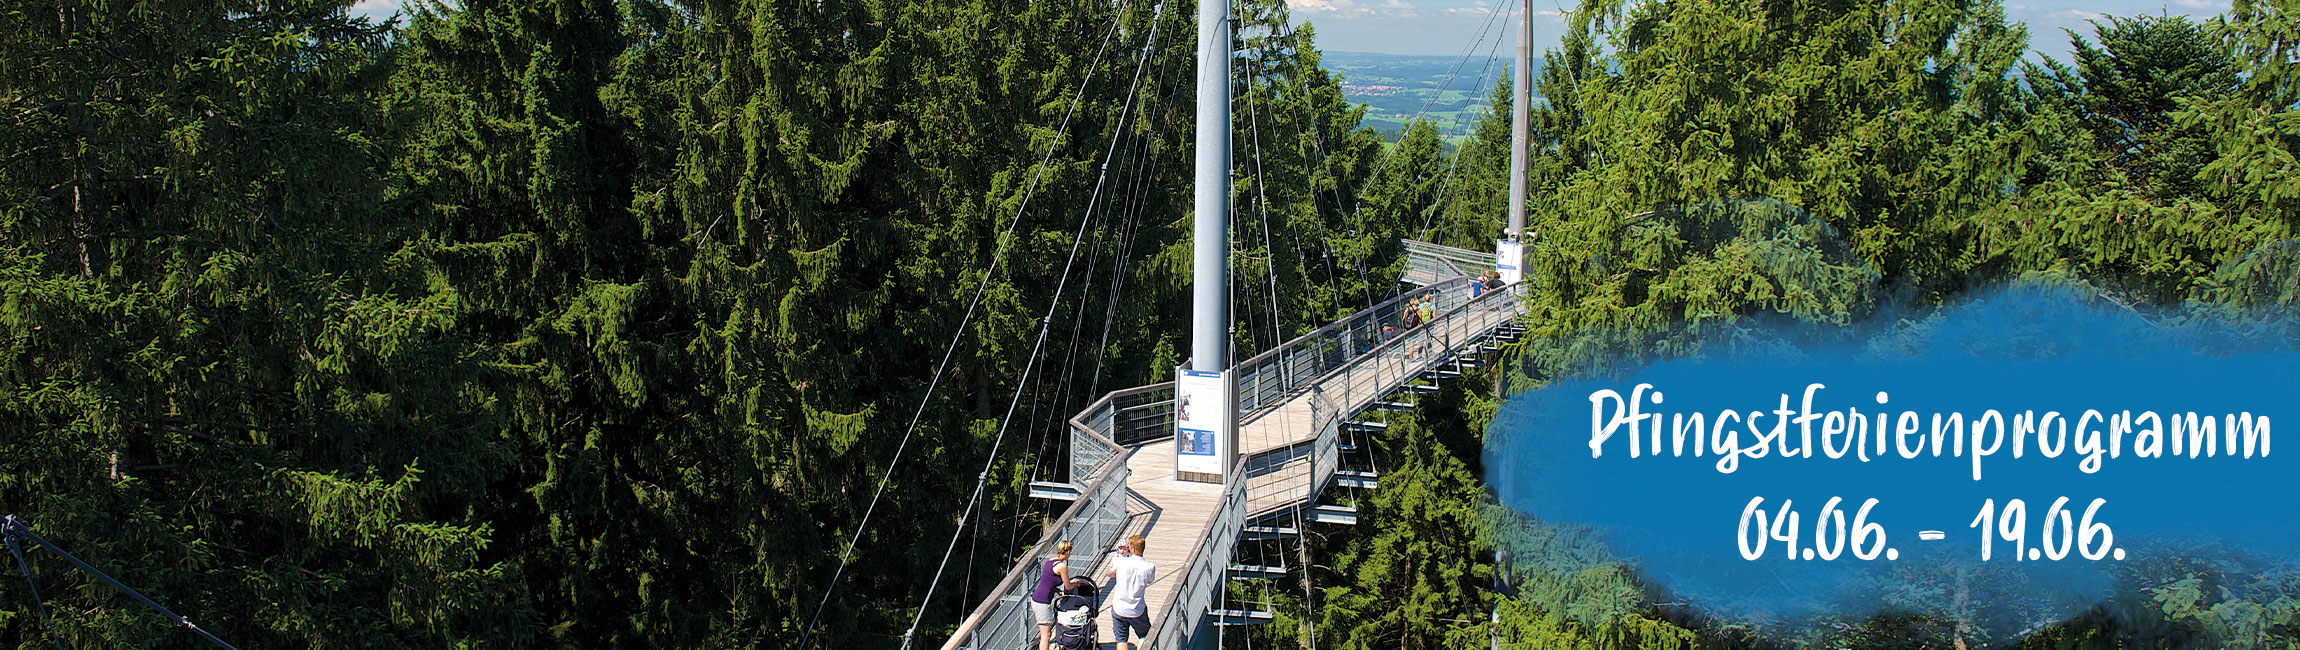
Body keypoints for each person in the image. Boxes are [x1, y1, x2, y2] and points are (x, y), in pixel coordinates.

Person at [1103, 534, 1155, 650]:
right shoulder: (1149, 567)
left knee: (1121, 640)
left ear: (1132, 549)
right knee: (1144, 636)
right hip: (1137, 609)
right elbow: (1150, 580)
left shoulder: (1120, 562)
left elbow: (1110, 573)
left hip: (1119, 607)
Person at [1030, 540, 1073, 650]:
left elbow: (1048, 581)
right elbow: (1068, 586)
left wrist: (1056, 590)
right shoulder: (1062, 566)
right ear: (1067, 551)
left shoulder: (1050, 561)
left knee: (1044, 634)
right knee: (1046, 636)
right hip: (1042, 602)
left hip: (1036, 598)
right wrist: (1077, 583)